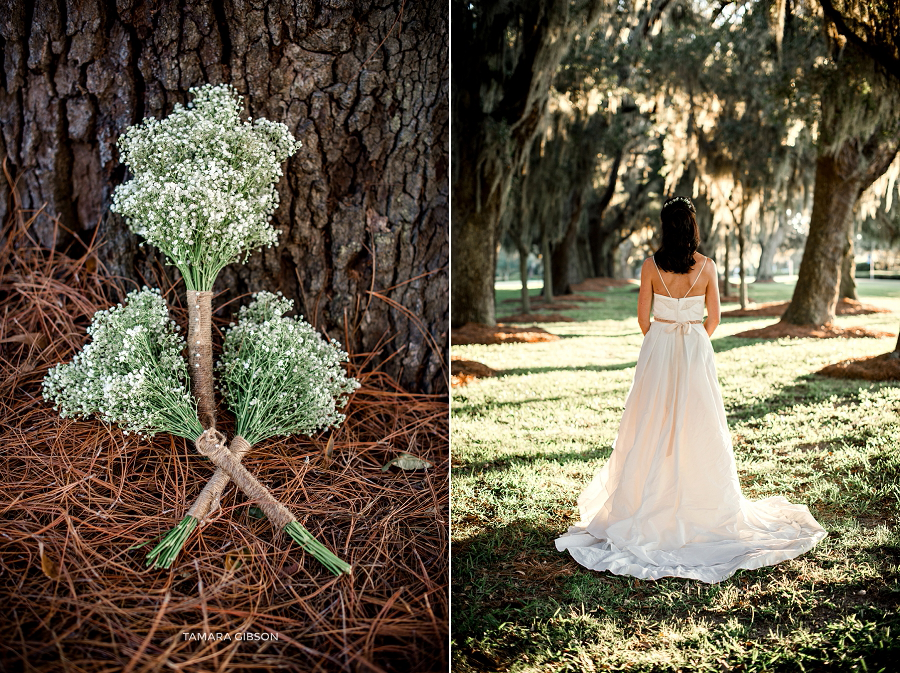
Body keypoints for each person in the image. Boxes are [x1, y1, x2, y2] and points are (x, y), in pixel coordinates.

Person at [555, 196, 826, 583]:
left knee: (653, 418)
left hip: (659, 348)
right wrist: (694, 340)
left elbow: (642, 319)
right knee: (698, 419)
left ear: (666, 227)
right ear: (693, 227)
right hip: (695, 349)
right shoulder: (708, 267)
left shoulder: (651, 266)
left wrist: (663, 342)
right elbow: (713, 318)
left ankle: (651, 495)